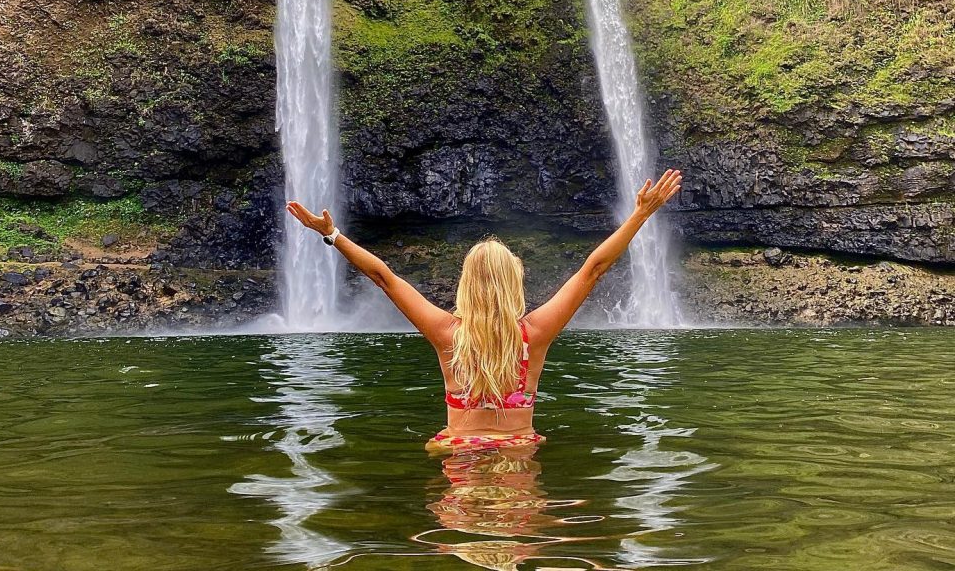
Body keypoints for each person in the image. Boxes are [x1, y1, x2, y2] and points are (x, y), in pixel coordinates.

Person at [286, 168, 682, 453]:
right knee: (518, 530)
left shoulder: (446, 334)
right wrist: (641, 215)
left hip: (456, 448)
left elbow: (384, 277)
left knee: (466, 532)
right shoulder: (537, 333)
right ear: (514, 282)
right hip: (518, 448)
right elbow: (593, 269)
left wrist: (332, 235)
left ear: (465, 284)